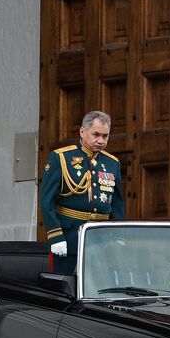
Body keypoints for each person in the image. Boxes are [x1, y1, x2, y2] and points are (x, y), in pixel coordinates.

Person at [39, 111, 126, 274]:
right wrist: (55, 235)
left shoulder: (112, 163)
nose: (101, 141)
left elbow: (117, 203)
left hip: (102, 241)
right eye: (96, 135)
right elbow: (47, 200)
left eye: (105, 136)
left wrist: (118, 237)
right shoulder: (61, 158)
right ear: (82, 131)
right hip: (69, 238)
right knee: (64, 288)